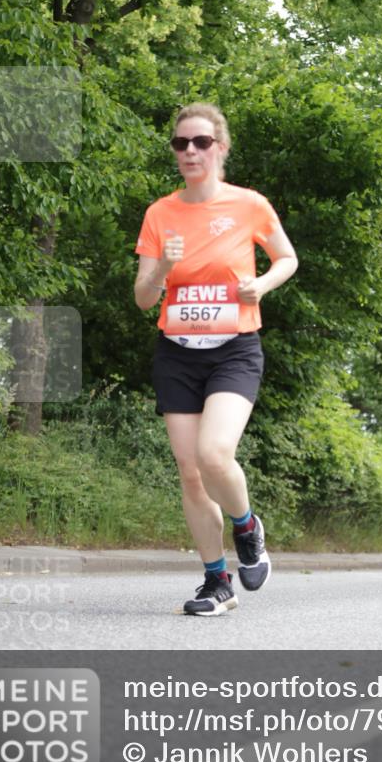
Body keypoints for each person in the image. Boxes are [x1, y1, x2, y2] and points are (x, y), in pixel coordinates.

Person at [134, 103, 298, 616]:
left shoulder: (250, 205)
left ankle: (247, 526)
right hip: (177, 352)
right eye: (180, 144)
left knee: (213, 454)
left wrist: (261, 285)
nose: (189, 151)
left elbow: (287, 258)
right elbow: (143, 297)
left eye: (200, 142)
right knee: (189, 472)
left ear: (220, 148)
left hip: (234, 349)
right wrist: (163, 265)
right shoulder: (161, 213)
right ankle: (215, 583)